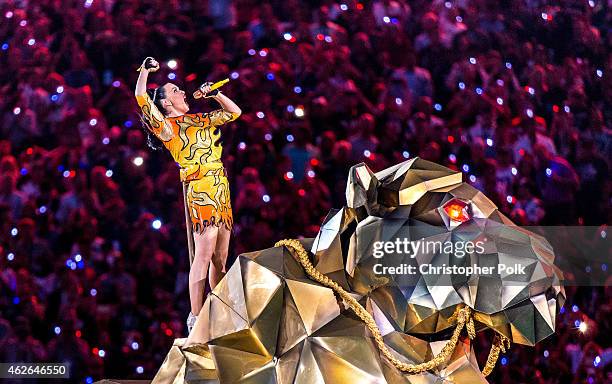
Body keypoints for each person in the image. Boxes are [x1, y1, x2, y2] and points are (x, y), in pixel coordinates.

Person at [133, 57, 241, 333]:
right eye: (175, 91)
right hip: (201, 187)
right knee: (203, 254)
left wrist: (215, 94)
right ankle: (196, 316)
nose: (182, 92)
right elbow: (141, 97)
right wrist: (145, 70)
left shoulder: (197, 119)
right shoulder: (167, 127)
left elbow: (233, 113)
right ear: (166, 103)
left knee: (221, 258)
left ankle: (222, 311)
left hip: (220, 186)